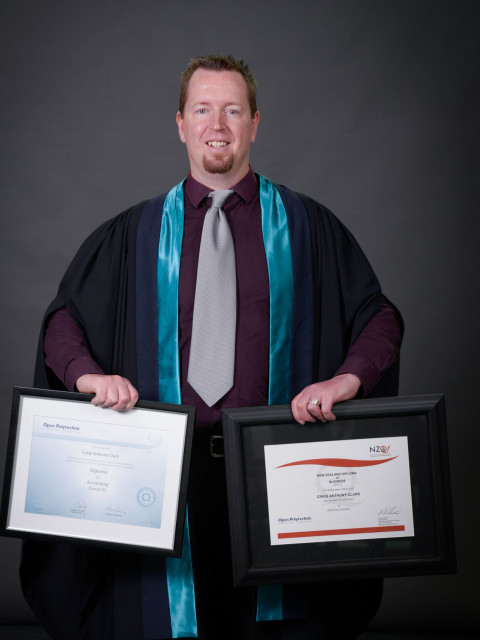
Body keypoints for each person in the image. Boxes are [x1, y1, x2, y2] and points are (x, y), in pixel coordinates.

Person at [21, 55, 402, 640]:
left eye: (232, 110)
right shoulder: (135, 234)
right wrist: (88, 377)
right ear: (181, 123)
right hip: (166, 476)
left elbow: (379, 319)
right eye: (202, 109)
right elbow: (62, 324)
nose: (217, 125)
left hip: (276, 469)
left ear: (255, 123)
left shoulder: (306, 228)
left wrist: (344, 381)